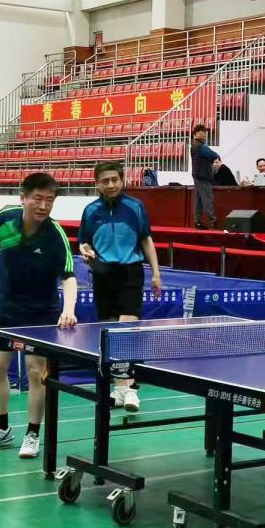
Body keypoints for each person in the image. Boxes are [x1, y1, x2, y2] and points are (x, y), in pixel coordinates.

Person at [0, 173, 77, 458]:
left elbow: (69, 276)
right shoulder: (5, 222)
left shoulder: (55, 236)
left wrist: (69, 309)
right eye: (38, 198)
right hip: (7, 308)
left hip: (41, 313)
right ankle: (1, 430)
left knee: (36, 372)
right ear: (23, 198)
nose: (43, 205)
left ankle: (33, 433)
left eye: (49, 200)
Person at [79, 163, 162, 412]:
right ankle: (120, 388)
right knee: (111, 333)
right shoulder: (90, 211)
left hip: (130, 272)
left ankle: (131, 390)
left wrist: (156, 273)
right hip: (103, 274)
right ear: (97, 183)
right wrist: (86, 251)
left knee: (126, 328)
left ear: (122, 180)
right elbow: (84, 242)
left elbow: (146, 240)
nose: (111, 185)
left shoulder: (135, 207)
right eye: (105, 181)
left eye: (115, 179)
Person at [190, 125, 219, 229]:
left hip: (197, 175)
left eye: (205, 133)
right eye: (202, 133)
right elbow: (214, 155)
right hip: (203, 176)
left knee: (198, 200)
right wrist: (217, 159)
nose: (204, 135)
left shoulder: (194, 145)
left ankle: (198, 222)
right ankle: (213, 221)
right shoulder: (201, 147)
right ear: (196, 134)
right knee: (207, 199)